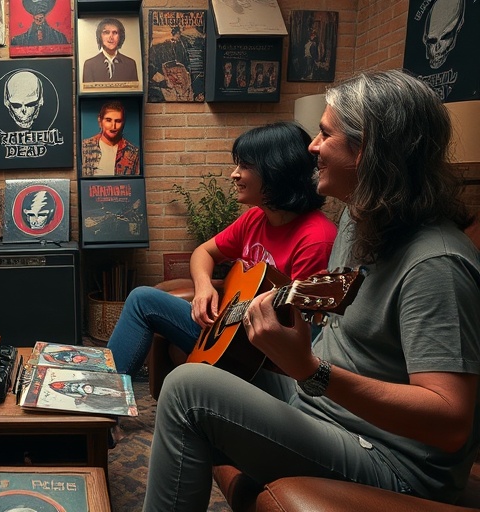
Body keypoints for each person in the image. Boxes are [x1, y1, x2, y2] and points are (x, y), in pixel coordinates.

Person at [144, 70, 480, 510]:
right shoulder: (359, 221)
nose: (312, 147)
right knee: (208, 368)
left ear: (368, 151)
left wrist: (309, 369)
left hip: (391, 460)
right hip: (324, 406)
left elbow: (450, 421)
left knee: (189, 389)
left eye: (325, 134)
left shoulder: (435, 265)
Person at [106, 121, 337, 376]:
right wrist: (204, 287)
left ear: (276, 171)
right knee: (142, 299)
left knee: (145, 303)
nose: (234, 174)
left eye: (245, 166)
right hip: (229, 329)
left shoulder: (316, 238)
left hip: (261, 356)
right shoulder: (255, 218)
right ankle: (106, 399)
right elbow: (204, 252)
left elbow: (303, 332)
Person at [80, 100, 140, 176]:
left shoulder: (133, 153)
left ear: (123, 123)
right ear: (100, 121)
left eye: (118, 121)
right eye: (108, 120)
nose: (113, 126)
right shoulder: (85, 147)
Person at [81, 18, 138, 83]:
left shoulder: (130, 64)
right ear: (100, 36)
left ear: (120, 37)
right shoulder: (89, 65)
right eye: (106, 32)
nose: (111, 37)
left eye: (115, 33)